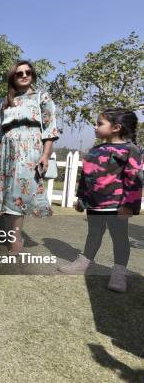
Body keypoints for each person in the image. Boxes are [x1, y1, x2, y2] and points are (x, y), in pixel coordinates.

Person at [58, 109, 141, 292]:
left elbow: (135, 180)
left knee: (119, 237)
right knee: (94, 233)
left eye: (99, 123)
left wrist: (129, 205)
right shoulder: (95, 150)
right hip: (95, 204)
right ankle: (84, 262)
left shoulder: (131, 150)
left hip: (117, 205)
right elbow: (85, 176)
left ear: (116, 128)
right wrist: (82, 198)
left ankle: (119, 273)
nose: (95, 127)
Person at [0, 60, 59, 254]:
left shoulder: (42, 97)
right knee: (8, 195)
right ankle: (13, 236)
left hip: (29, 149)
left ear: (33, 74)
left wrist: (45, 155)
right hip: (8, 151)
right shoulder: (7, 101)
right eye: (19, 73)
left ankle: (16, 239)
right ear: (13, 77)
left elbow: (50, 129)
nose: (24, 75)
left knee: (20, 194)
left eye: (28, 72)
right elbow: (0, 131)